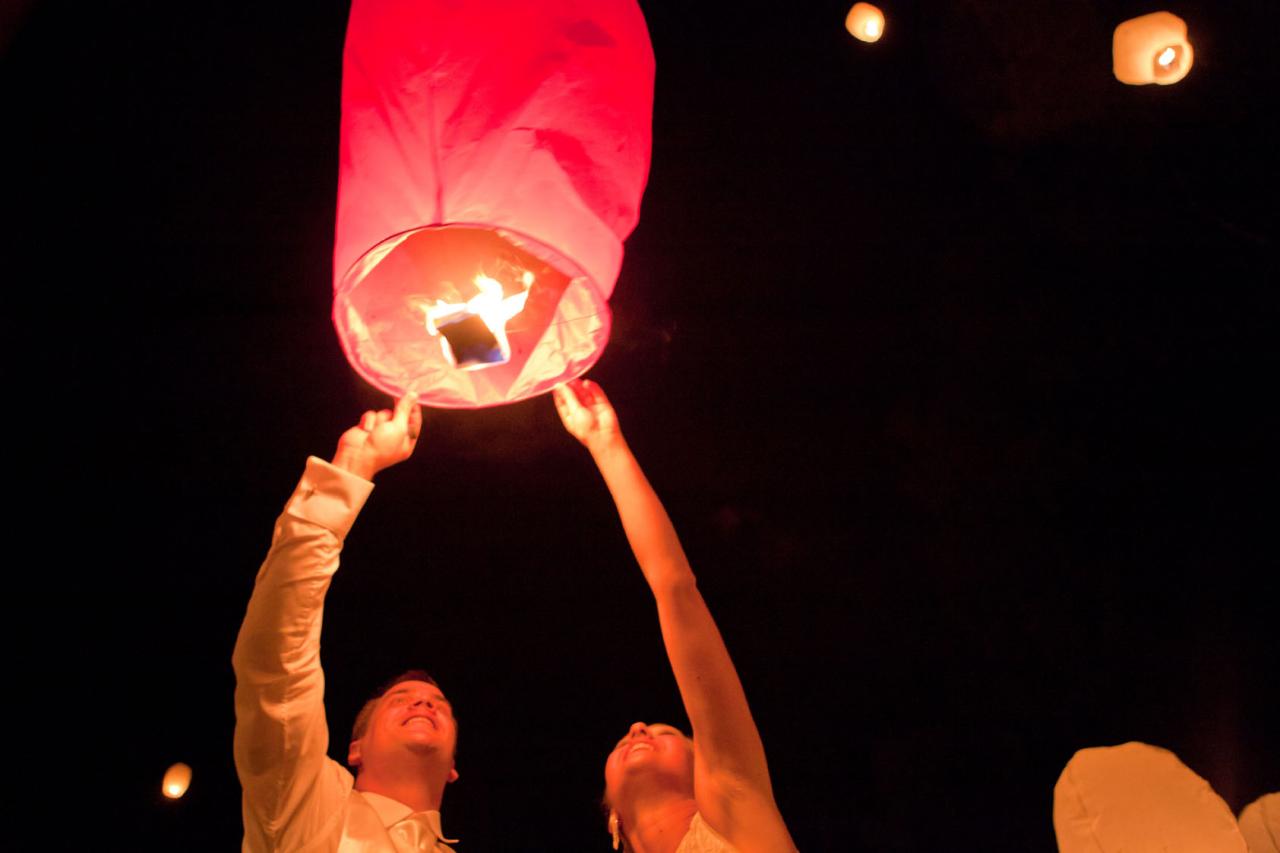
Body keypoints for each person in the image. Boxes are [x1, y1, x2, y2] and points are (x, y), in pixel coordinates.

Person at [554, 379, 799, 853]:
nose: (637, 729)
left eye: (668, 732)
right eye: (656, 729)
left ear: (703, 765)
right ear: (612, 822)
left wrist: (607, 446)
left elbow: (675, 588)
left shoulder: (734, 805)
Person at [232, 394, 461, 852]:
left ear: (455, 765)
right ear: (354, 750)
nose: (424, 705)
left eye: (437, 702)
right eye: (402, 699)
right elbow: (278, 666)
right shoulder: (304, 801)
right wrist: (354, 466)